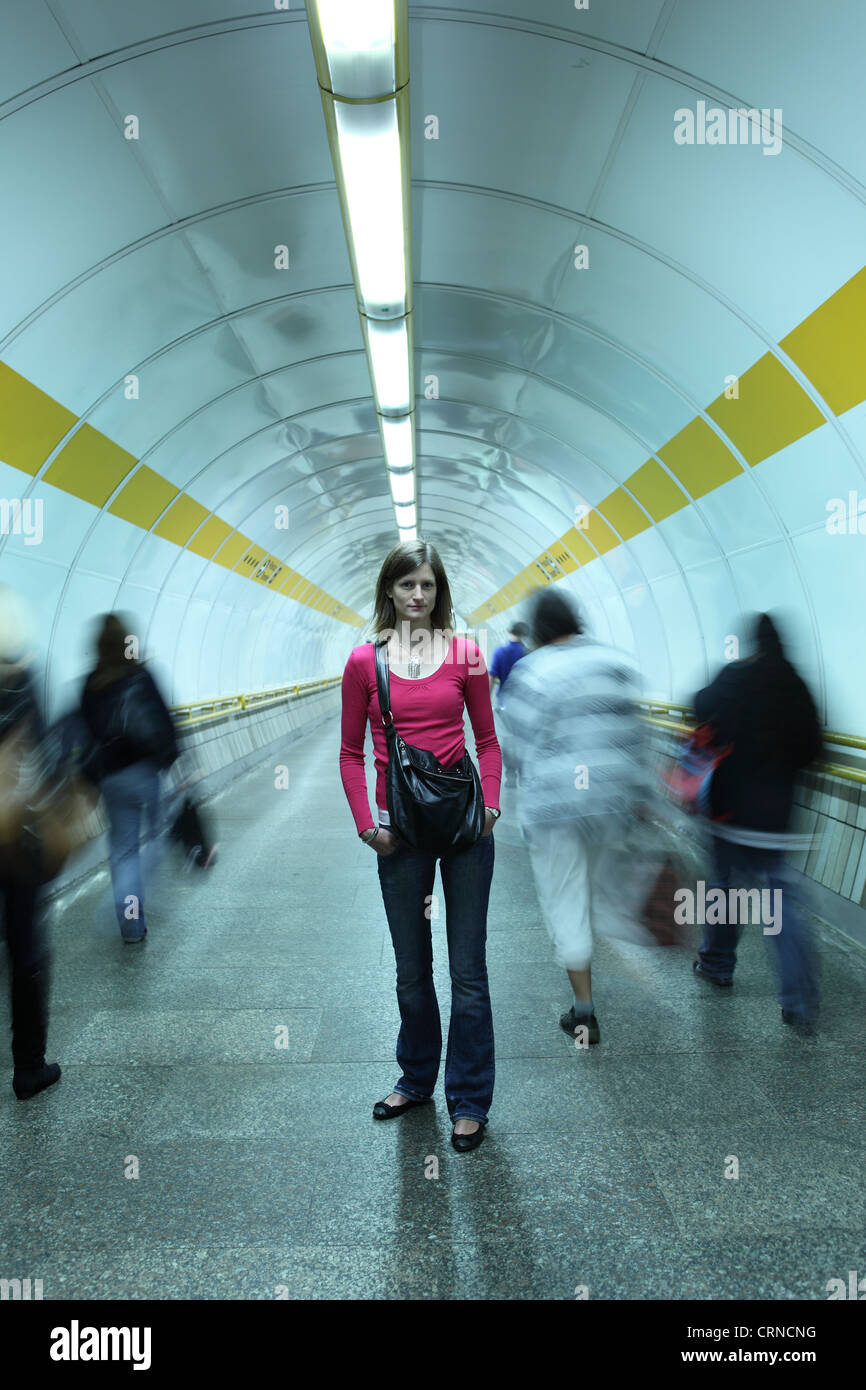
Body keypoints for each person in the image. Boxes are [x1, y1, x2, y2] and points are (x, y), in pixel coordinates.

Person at [339, 540, 502, 1152]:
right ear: (389, 591)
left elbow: (487, 740)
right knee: (411, 971)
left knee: (468, 972)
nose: (417, 595)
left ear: (440, 593)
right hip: (400, 834)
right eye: (407, 584)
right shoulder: (363, 663)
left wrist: (490, 806)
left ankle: (469, 1098)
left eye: (428, 585)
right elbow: (350, 752)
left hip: (464, 830)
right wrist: (365, 824)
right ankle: (415, 1079)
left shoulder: (467, 657)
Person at [503, 589, 653, 1044]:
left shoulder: (534, 671)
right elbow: (637, 737)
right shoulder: (615, 664)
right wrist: (642, 797)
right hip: (610, 804)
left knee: (566, 902)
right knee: (597, 891)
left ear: (538, 630)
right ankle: (604, 929)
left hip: (555, 810)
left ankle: (584, 1010)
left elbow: (515, 746)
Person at [691, 613, 823, 1032]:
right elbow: (814, 749)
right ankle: (799, 1000)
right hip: (777, 815)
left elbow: (699, 704)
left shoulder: (737, 675)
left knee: (723, 890)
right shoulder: (796, 682)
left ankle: (717, 964)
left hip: (731, 812)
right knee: (780, 904)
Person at [80, 615, 178, 944]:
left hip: (111, 780)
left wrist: (89, 780)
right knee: (156, 841)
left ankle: (132, 924)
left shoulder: (91, 684)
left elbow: (83, 734)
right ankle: (126, 895)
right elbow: (165, 720)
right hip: (144, 773)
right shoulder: (141, 676)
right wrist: (177, 761)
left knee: (123, 852)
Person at [0, 586, 61, 1099]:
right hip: (14, 835)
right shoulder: (23, 684)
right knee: (26, 948)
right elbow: (49, 755)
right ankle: (29, 1067)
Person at [489, 622, 529, 787]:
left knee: (508, 741)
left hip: (505, 704)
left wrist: (485, 700)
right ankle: (524, 775)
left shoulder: (500, 652)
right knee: (524, 740)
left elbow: (492, 677)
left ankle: (510, 776)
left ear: (509, 631)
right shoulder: (528, 653)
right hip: (525, 704)